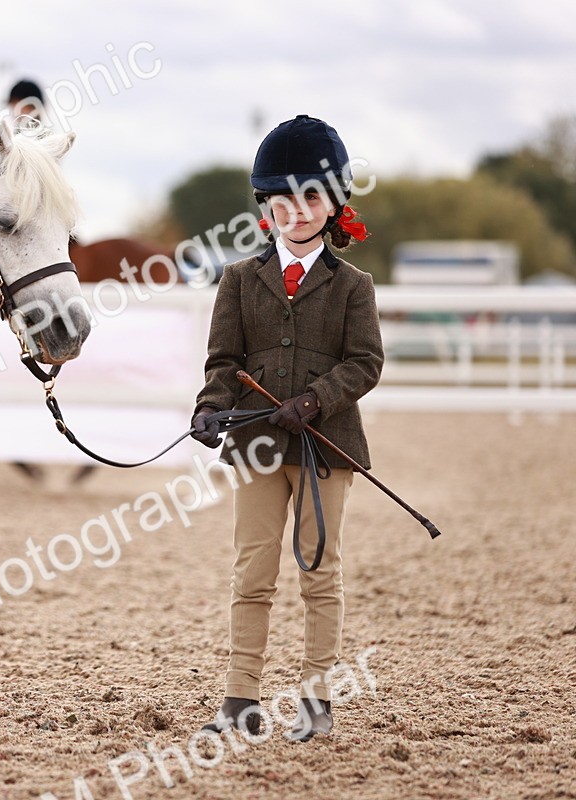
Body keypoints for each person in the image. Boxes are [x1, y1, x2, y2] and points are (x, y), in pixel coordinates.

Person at [190, 115, 383, 742]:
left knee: (320, 572)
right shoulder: (239, 280)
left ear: (332, 206)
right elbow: (224, 361)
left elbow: (365, 362)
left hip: (327, 446)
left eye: (310, 199)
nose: (296, 212)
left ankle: (317, 699)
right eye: (284, 201)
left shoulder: (353, 285)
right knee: (252, 572)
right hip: (257, 445)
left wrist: (317, 399)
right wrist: (210, 407)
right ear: (266, 208)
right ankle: (240, 697)